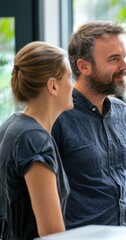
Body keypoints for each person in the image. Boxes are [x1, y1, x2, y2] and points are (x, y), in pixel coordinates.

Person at [52, 21, 126, 229]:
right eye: (114, 59)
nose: (124, 66)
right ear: (83, 66)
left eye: (123, 57)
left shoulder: (123, 114)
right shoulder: (57, 117)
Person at [0, 41, 72, 239]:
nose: (72, 85)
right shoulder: (33, 139)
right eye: (69, 77)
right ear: (53, 86)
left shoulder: (12, 126)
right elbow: (51, 232)